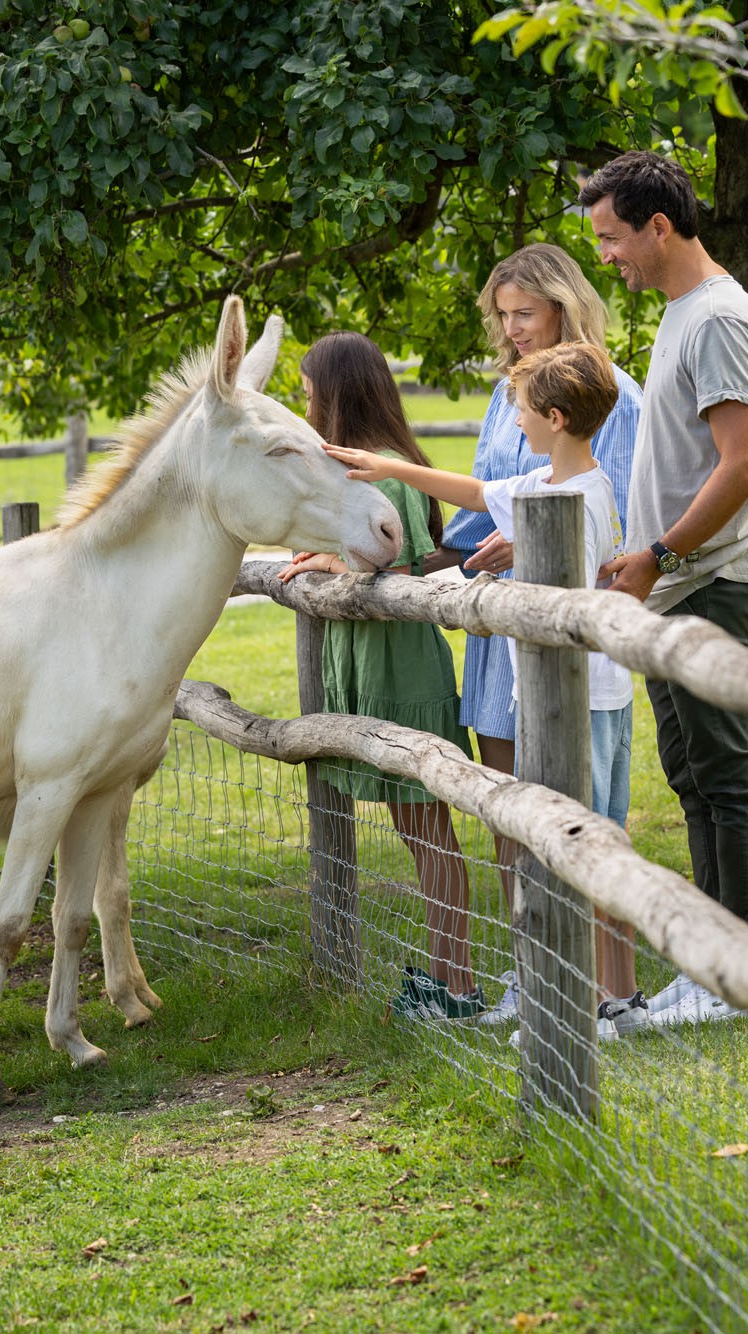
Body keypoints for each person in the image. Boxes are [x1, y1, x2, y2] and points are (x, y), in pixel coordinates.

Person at [326, 342, 648, 1036]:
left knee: (575, 840)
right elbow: (475, 495)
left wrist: (503, 577)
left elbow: (566, 578)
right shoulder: (549, 483)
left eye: (524, 412)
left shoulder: (576, 498)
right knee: (578, 836)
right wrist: (388, 466)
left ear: (556, 418)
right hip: (572, 694)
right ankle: (606, 993)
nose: (517, 423)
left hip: (579, 698)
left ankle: (588, 998)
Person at [583, 150, 748, 1028]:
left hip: (711, 584)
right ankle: (709, 969)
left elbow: (745, 467)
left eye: (612, 237)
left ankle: (740, 978)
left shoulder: (718, 320)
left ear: (659, 226)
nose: (605, 257)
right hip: (675, 587)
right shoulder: (679, 315)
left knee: (728, 777)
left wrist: (658, 554)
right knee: (696, 776)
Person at [438, 243, 645, 1025]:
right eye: (503, 315)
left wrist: (530, 540)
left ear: (563, 303)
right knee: (509, 811)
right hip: (501, 626)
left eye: (525, 312)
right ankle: (536, 975)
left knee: (589, 810)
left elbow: (608, 505)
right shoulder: (508, 394)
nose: (514, 328)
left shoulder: (610, 391)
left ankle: (612, 987)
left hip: (563, 615)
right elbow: (494, 490)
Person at [278, 332, 480, 1020]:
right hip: (370, 660)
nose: (303, 404)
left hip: (400, 664)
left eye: (309, 393)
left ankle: (459, 986)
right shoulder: (354, 472)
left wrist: (328, 565)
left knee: (427, 828)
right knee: (413, 826)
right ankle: (446, 972)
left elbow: (395, 566)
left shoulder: (385, 471)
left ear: (336, 395)